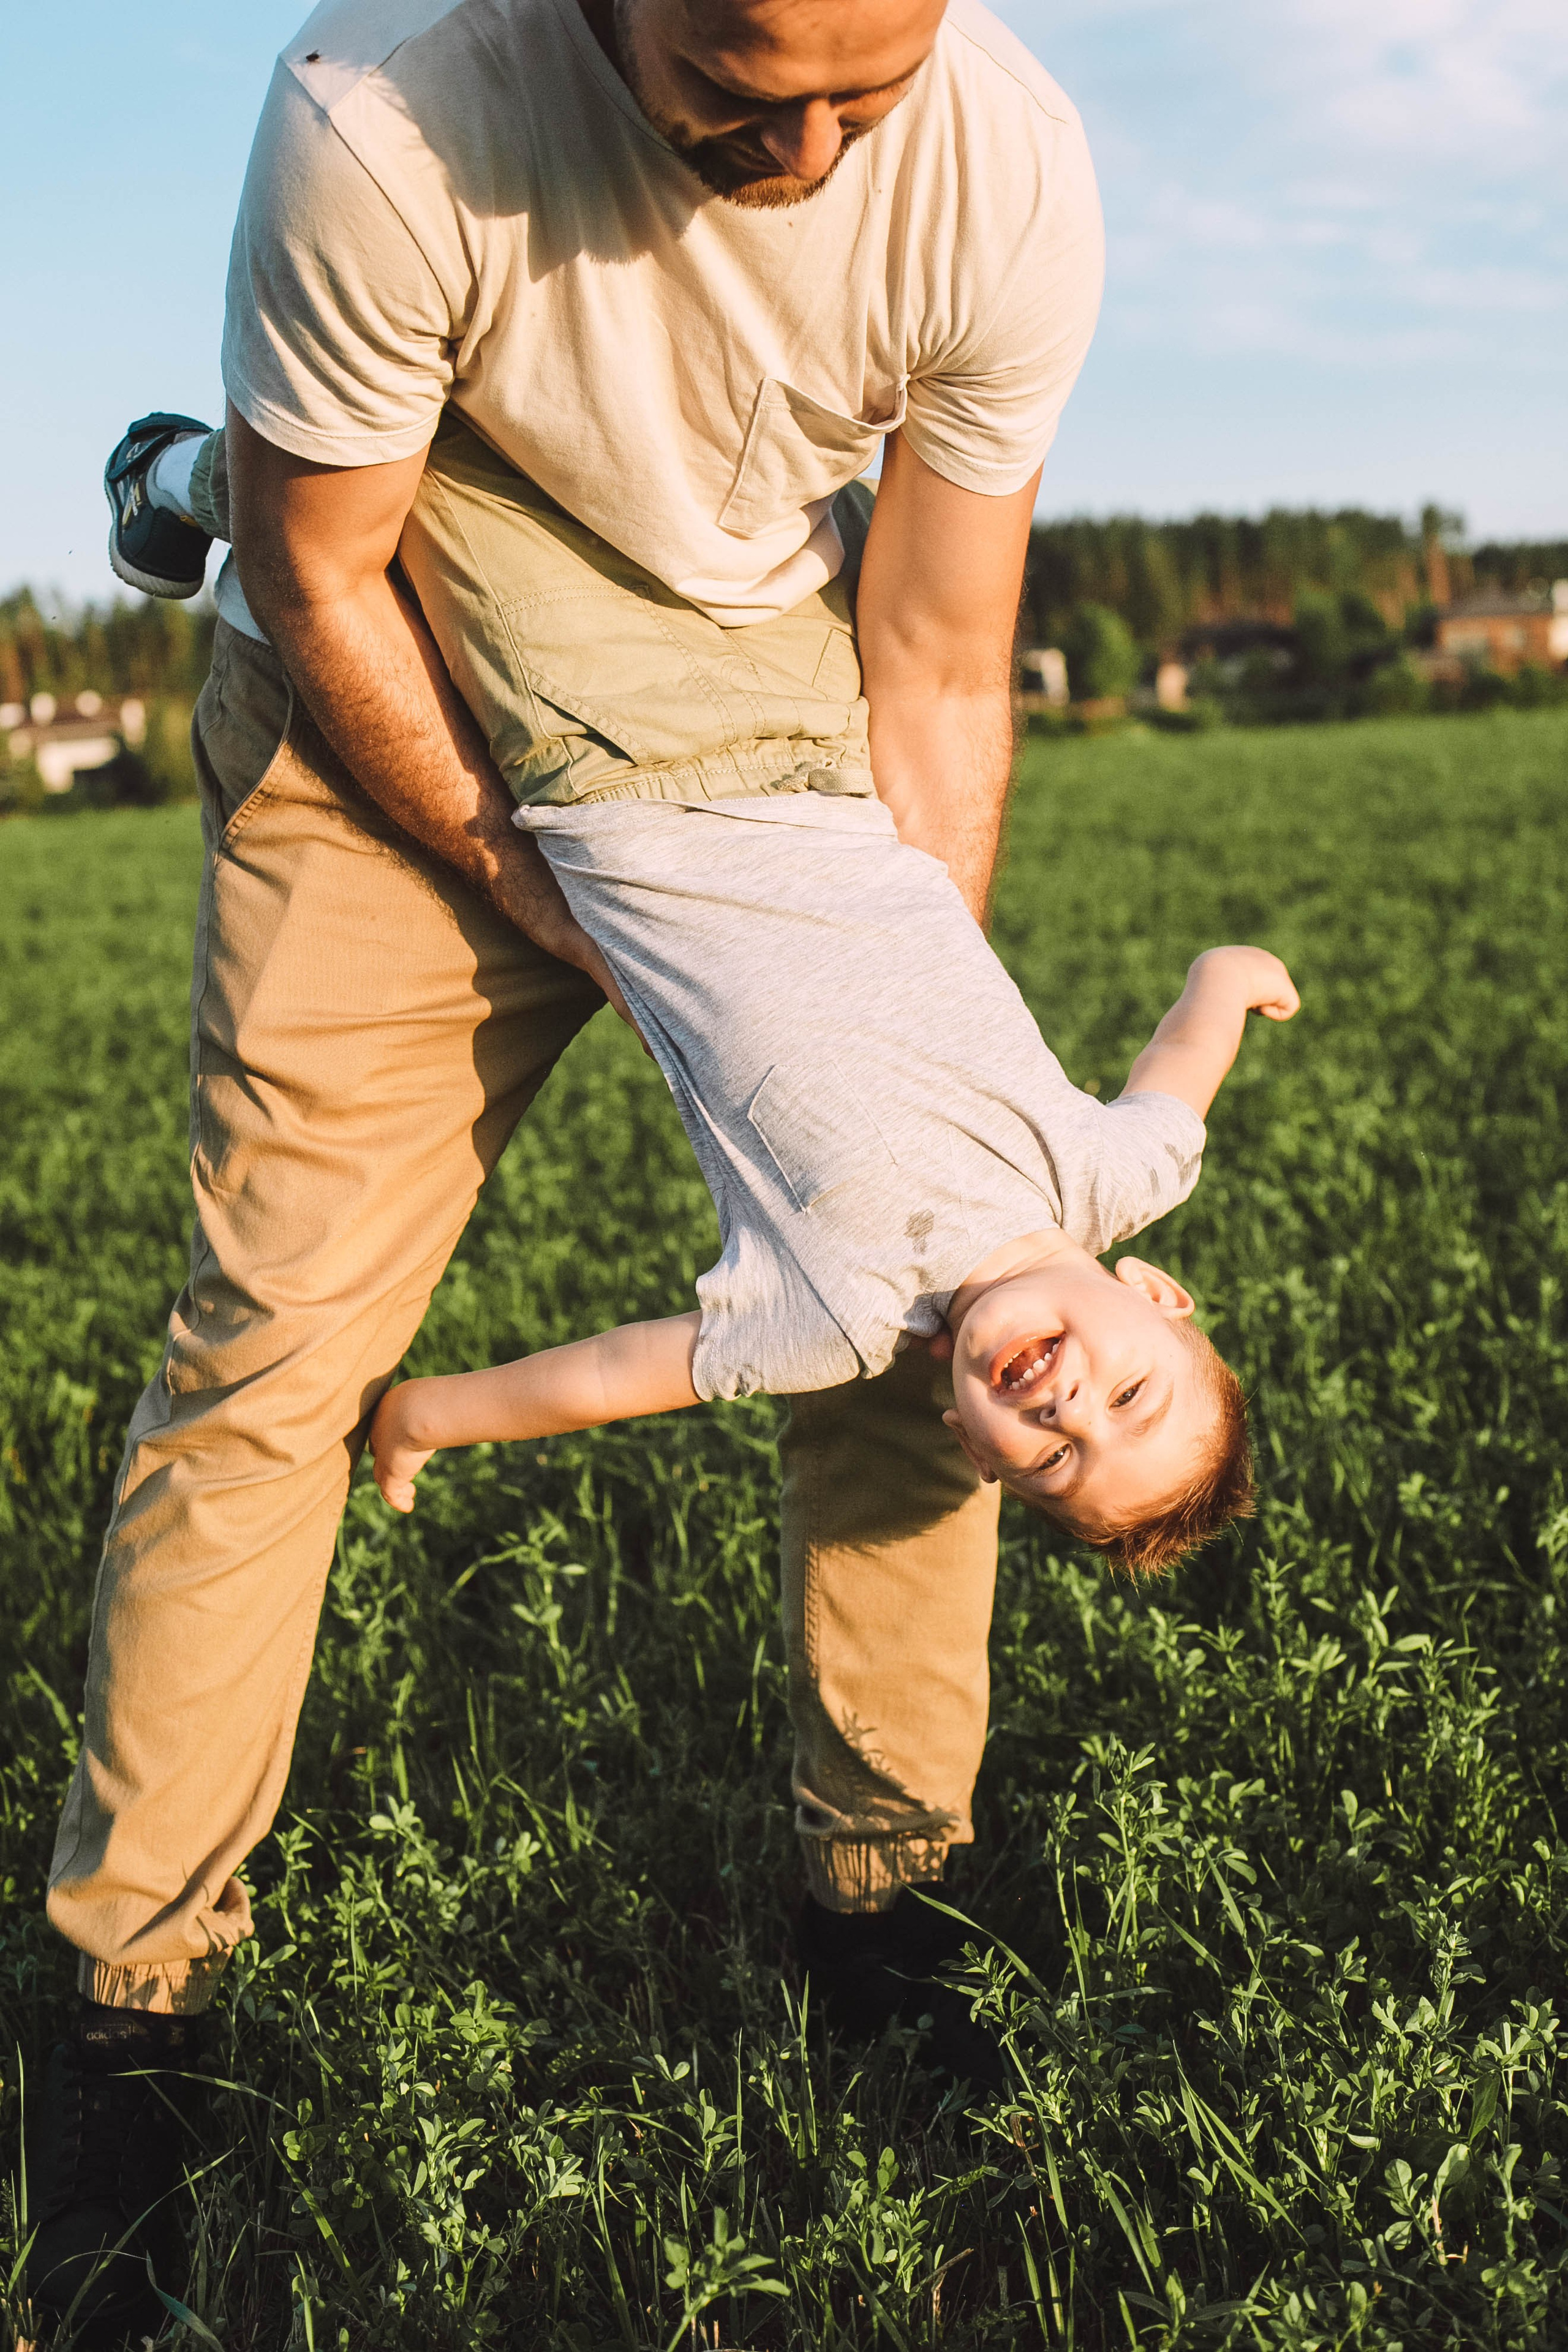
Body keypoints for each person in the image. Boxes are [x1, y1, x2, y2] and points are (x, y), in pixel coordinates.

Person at [35, 0, 1109, 2335]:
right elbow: (335, 590)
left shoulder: (1004, 165)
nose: (817, 154)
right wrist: (534, 886)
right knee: (279, 1355)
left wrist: (889, 1070)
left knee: (939, 1295)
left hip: (749, 713)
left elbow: (929, 656)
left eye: (868, 88)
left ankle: (887, 1899)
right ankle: (134, 2016)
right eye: (743, 97)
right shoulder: (389, 112)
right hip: (386, 701)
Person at [366, 893, 1295, 1550]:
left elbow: (612, 1374)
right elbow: (1182, 1064)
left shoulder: (841, 1321)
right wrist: (1225, 978)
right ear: (1157, 1291)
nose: (1072, 1409)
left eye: (1054, 1458)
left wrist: (431, 1417)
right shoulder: (1116, 1180)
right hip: (825, 805)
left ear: (973, 1448)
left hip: (643, 859)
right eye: (1131, 1397)